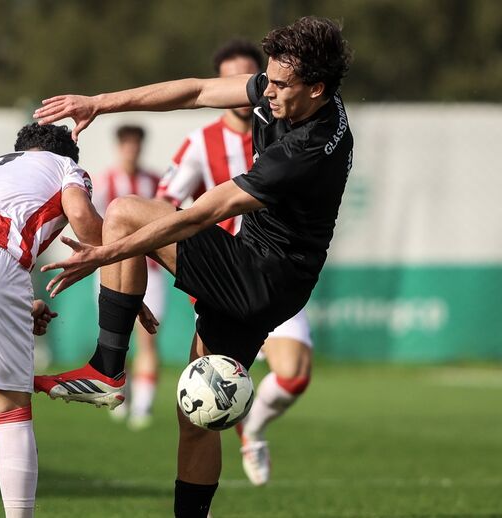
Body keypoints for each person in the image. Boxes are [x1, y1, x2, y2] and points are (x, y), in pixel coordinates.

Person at [34, 17, 352, 517]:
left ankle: (106, 369)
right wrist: (99, 102)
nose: (265, 92)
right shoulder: (287, 95)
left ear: (317, 88)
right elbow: (198, 89)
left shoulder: (306, 150)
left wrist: (107, 254)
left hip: (260, 275)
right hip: (271, 278)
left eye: (279, 84)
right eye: (265, 79)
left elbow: (205, 212)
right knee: (197, 414)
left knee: (123, 213)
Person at [0, 123, 156, 518]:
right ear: (68, 153)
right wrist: (119, 277)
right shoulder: (65, 167)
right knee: (9, 412)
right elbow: (82, 218)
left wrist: (21, 307)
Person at [157, 39, 316, 487]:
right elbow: (165, 204)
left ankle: (253, 425)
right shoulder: (200, 143)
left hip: (273, 274)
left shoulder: (288, 127)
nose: (262, 90)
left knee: (294, 377)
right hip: (220, 278)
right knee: (202, 412)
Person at [93, 124, 165, 429]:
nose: (132, 150)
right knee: (115, 336)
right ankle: (116, 393)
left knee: (147, 339)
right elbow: (90, 224)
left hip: (151, 272)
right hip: (111, 271)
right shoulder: (104, 182)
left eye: (136, 144)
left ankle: (143, 407)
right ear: (120, 146)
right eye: (127, 144)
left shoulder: (154, 182)